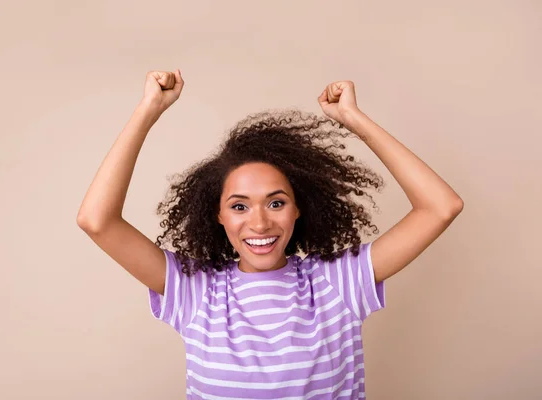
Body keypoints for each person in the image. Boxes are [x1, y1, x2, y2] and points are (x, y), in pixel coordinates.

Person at [76, 69, 464, 399]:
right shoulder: (195, 291)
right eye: (239, 206)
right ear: (218, 215)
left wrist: (354, 120)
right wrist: (148, 112)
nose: (259, 224)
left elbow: (440, 207)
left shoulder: (335, 284)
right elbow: (97, 220)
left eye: (276, 203)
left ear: (298, 209)